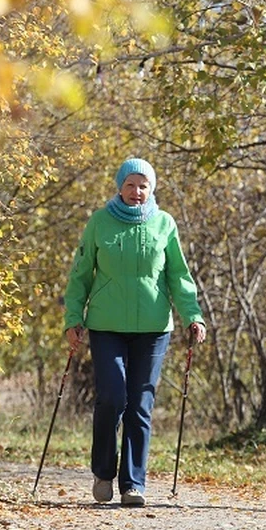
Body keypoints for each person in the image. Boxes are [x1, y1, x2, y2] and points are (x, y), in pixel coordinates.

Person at [64, 157, 207, 507]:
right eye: (130, 184)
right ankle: (103, 472)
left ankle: (133, 484)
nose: (137, 191)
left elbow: (179, 276)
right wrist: (72, 318)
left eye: (143, 185)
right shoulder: (99, 222)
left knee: (140, 405)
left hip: (154, 327)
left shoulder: (164, 224)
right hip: (105, 324)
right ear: (119, 186)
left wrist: (193, 316)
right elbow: (80, 274)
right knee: (112, 397)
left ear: (151, 189)